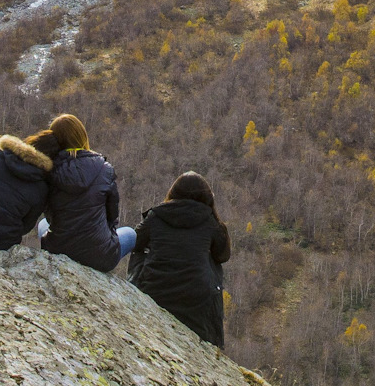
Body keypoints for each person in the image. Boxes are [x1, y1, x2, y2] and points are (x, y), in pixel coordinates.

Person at [128, 172, 232, 347]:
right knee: (212, 262)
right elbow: (223, 255)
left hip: (155, 292)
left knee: (137, 249)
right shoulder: (211, 223)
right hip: (197, 301)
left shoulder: (156, 216)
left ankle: (135, 290)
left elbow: (135, 242)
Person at [37, 114, 134, 271]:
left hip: (58, 250)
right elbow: (112, 215)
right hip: (99, 256)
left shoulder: (48, 170)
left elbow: (48, 214)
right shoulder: (104, 169)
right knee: (130, 234)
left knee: (43, 224)